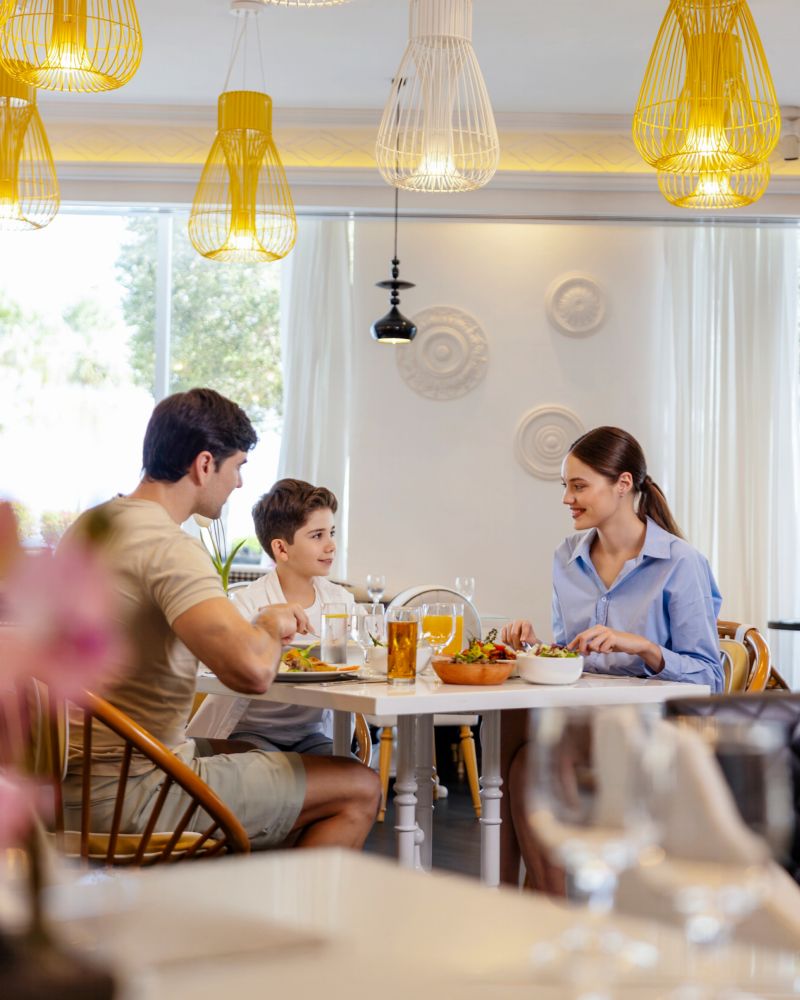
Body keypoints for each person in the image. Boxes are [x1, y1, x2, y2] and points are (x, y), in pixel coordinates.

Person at [62, 388, 380, 851]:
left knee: (259, 753)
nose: (239, 484)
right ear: (204, 464)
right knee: (359, 786)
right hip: (137, 792)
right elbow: (251, 673)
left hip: (67, 783)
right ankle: (276, 902)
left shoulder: (92, 526)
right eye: (238, 467)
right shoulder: (170, 547)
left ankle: (237, 881)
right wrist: (270, 623)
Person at [498, 425, 723, 888]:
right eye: (566, 486)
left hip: (651, 729)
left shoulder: (680, 562)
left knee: (528, 757)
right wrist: (535, 648)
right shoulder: (566, 557)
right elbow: (573, 655)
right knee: (514, 734)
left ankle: (530, 896)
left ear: (623, 484)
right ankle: (528, 894)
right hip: (583, 715)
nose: (567, 498)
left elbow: (710, 678)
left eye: (579, 486)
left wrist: (643, 646)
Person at [189, 478, 353, 755]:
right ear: (281, 549)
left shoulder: (341, 602)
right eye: (317, 536)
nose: (331, 545)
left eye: (331, 533)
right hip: (250, 732)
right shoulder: (248, 603)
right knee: (278, 770)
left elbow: (367, 655)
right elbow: (218, 664)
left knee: (352, 771)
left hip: (311, 734)